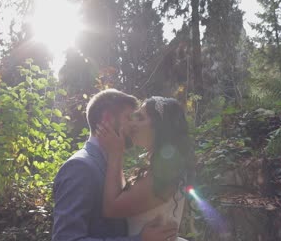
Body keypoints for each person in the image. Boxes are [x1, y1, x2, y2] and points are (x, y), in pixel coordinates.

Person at [52, 90, 179, 241]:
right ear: (107, 119)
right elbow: (65, 238)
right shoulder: (80, 167)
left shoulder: (112, 164)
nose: (133, 125)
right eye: (128, 118)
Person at [96, 96, 194, 241]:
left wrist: (115, 154)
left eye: (140, 118)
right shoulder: (159, 167)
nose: (132, 123)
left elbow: (111, 208)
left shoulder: (165, 174)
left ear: (160, 126)